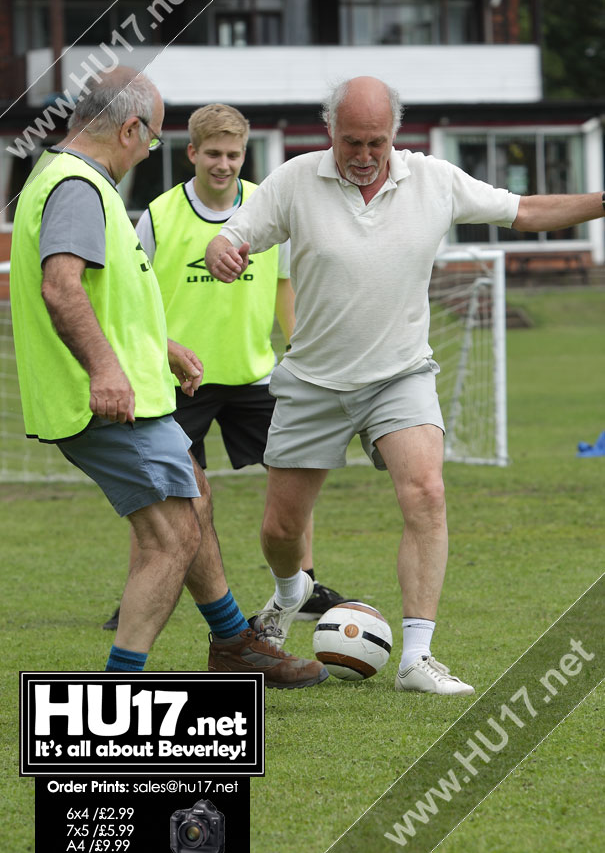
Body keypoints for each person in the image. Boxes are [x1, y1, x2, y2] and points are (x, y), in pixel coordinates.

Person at [205, 75, 605, 696]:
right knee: (281, 531)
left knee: (426, 493)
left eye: (378, 142)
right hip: (312, 379)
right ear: (328, 132)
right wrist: (221, 250)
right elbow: (233, 234)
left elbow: (523, 211)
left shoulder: (434, 180)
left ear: (397, 135)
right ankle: (291, 594)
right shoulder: (292, 181)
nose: (365, 156)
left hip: (401, 375)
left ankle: (417, 658)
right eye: (352, 142)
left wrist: (601, 201)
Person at [9, 66, 327, 688]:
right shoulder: (79, 186)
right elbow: (61, 287)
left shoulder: (64, 176)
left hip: (129, 390)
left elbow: (109, 297)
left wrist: (163, 347)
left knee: (193, 504)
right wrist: (106, 369)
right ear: (129, 127)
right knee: (173, 536)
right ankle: (117, 689)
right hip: (101, 400)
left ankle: (235, 642)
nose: (147, 150)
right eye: (150, 139)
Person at [102, 102, 346, 632]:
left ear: (244, 155)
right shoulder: (159, 215)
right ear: (191, 153)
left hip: (255, 374)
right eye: (213, 153)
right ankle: (134, 594)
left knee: (294, 475)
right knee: (160, 489)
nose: (224, 163)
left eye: (233, 154)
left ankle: (304, 584)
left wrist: (300, 347)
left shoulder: (266, 206)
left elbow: (285, 286)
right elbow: (134, 296)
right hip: (178, 380)